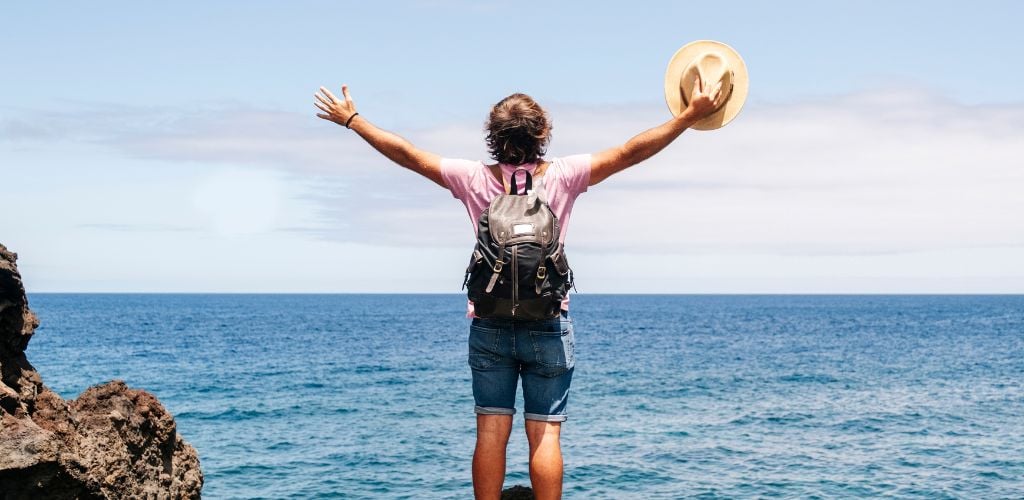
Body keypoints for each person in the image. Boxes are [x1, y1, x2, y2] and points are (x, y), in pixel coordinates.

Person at [314, 78, 724, 500]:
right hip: (548, 322)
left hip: (489, 323)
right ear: (543, 133)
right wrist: (689, 116)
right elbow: (629, 152)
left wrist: (353, 121)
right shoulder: (565, 175)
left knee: (491, 431)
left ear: (493, 137)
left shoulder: (472, 178)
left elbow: (409, 156)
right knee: (545, 434)